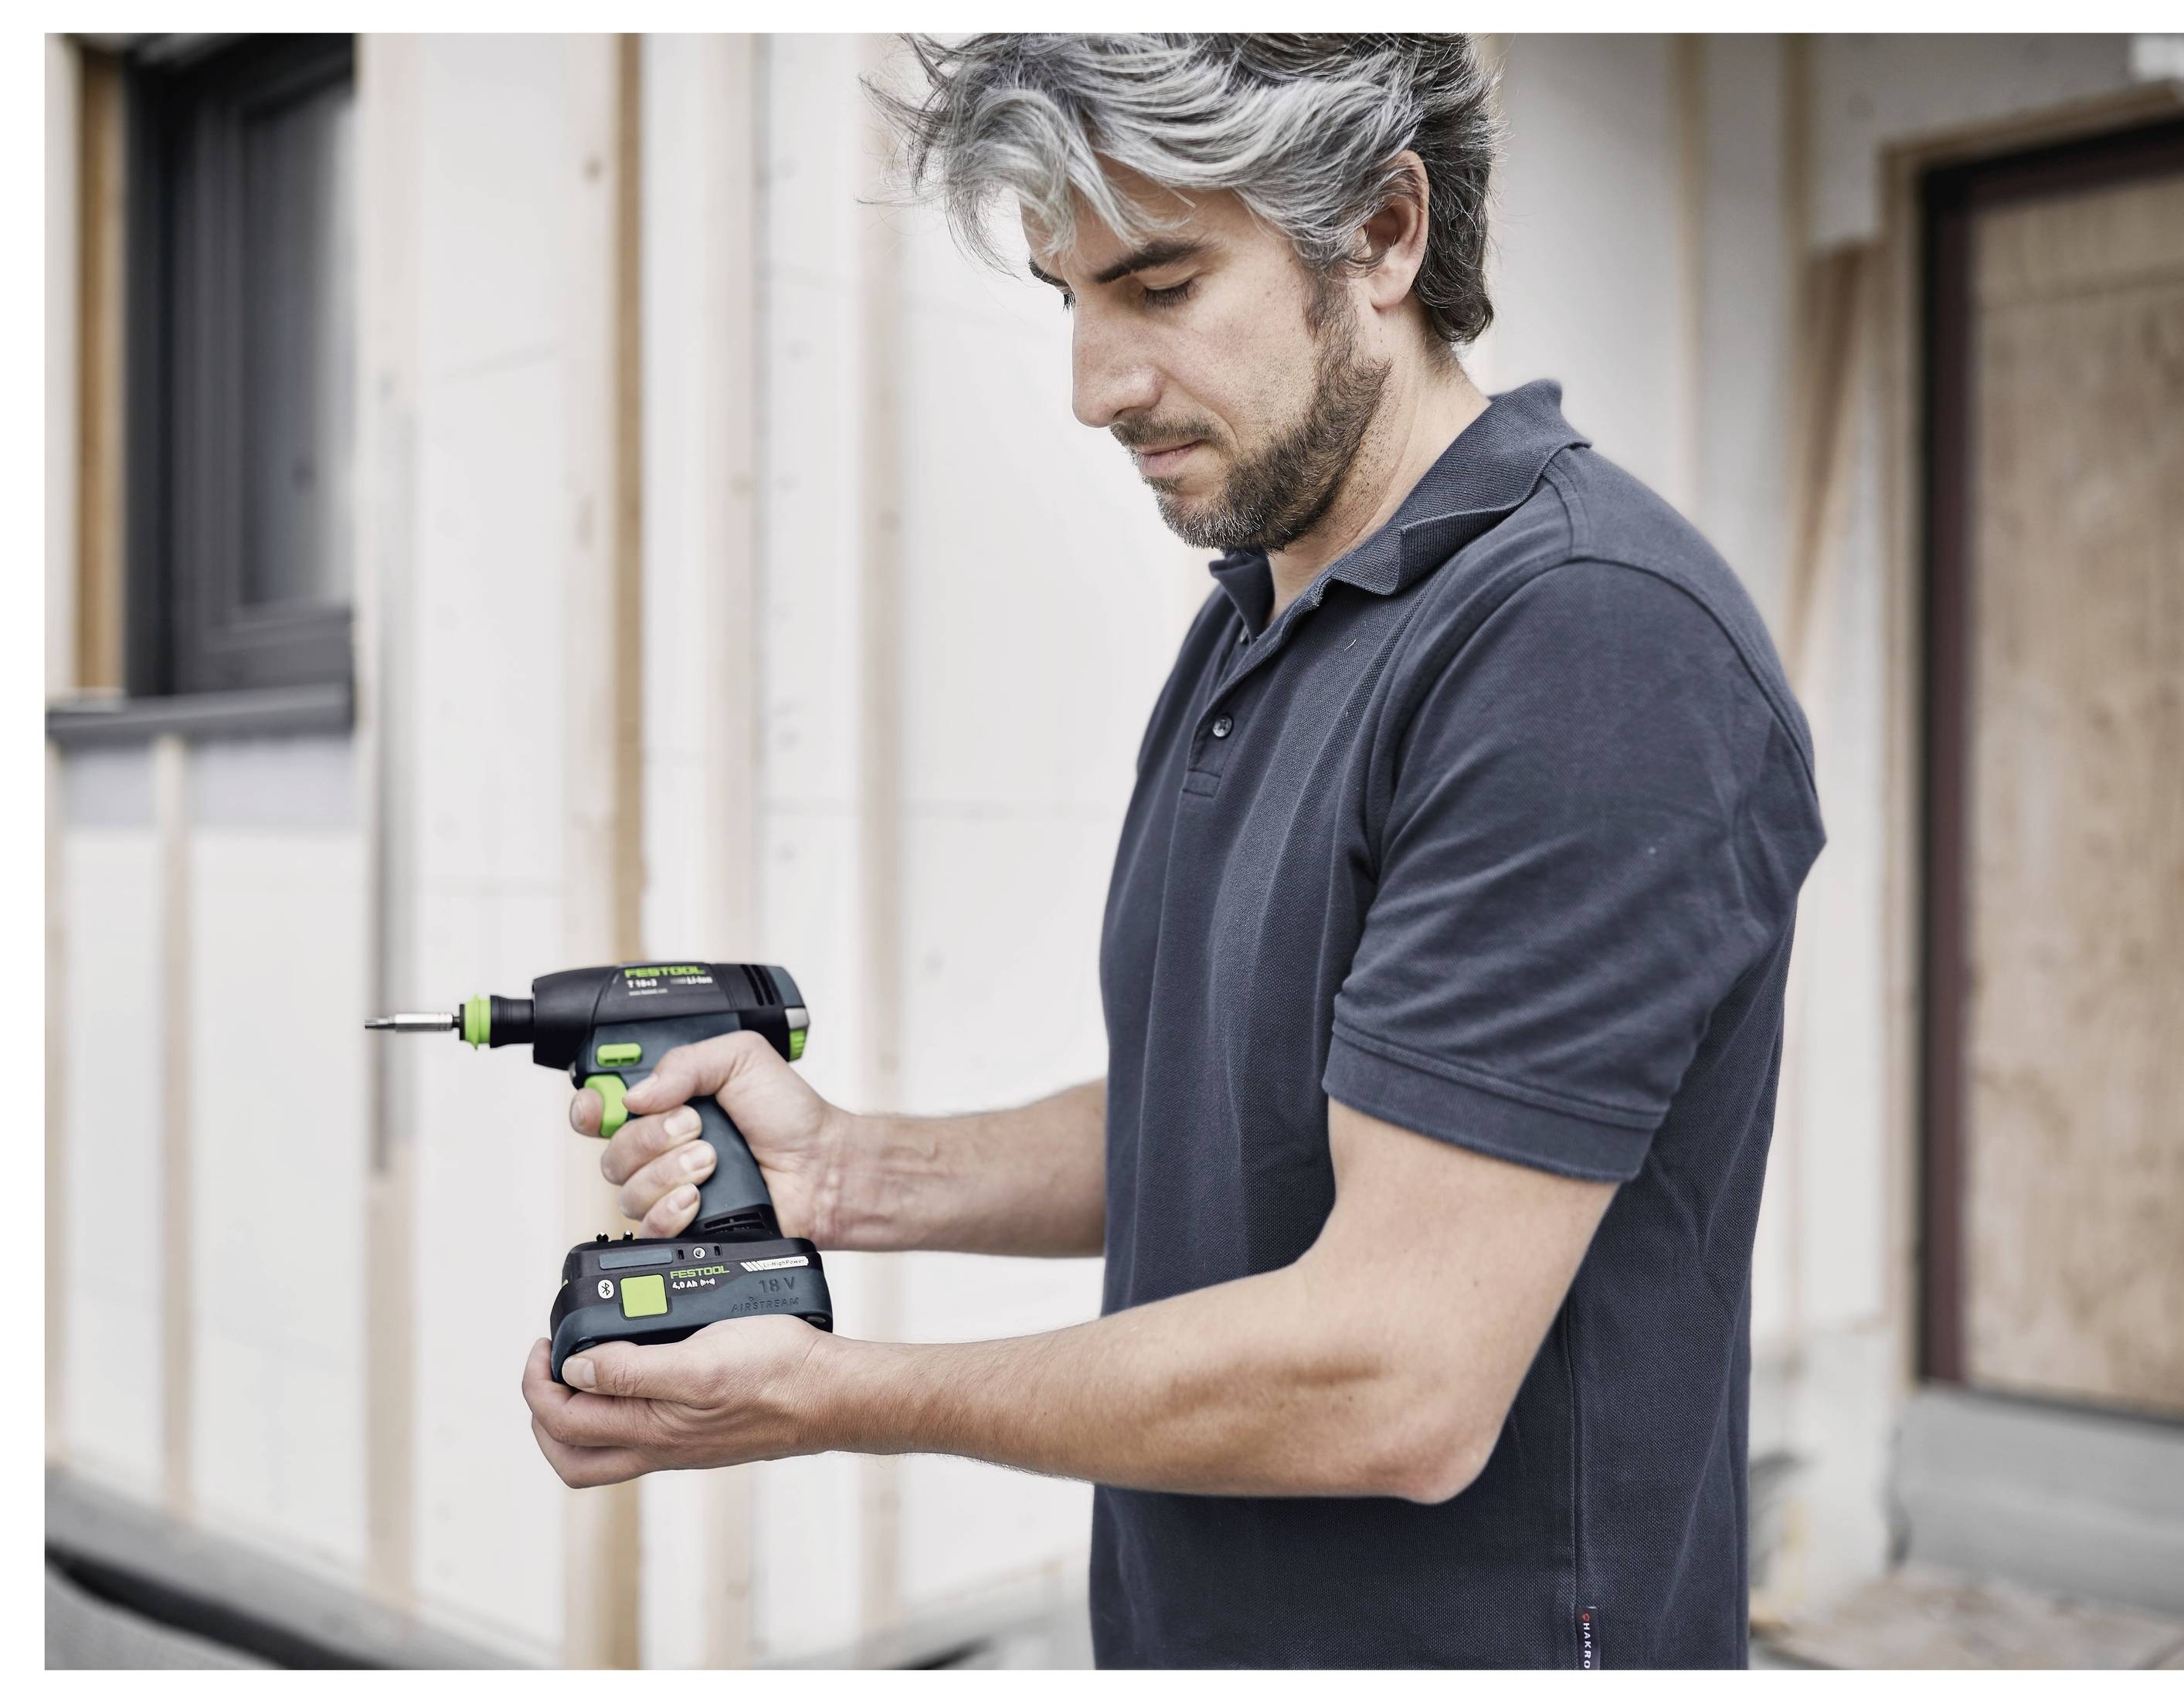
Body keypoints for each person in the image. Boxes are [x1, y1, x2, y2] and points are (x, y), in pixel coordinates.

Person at [521, 33, 1824, 1669]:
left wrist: (835, 1394)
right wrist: (850, 1172)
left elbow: (1397, 1377)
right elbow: (1237, 1117)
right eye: (1071, 298)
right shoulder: (1261, 620)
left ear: (1384, 232)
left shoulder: (1583, 645)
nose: (1096, 386)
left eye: (1159, 284)